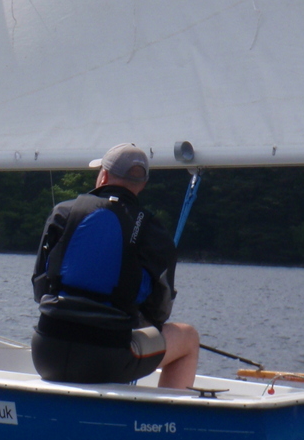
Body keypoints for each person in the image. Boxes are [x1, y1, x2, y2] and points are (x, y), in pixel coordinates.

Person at [31, 143, 199, 388]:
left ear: (104, 175)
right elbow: (160, 312)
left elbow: (40, 288)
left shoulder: (63, 213)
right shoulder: (153, 231)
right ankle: (159, 424)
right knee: (189, 338)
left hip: (46, 352)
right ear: (142, 185)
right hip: (106, 361)